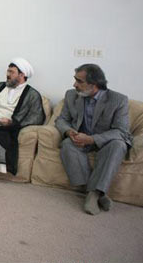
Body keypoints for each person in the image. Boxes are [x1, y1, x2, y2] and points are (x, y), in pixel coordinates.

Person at [56, 64, 131, 215]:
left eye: (79, 81)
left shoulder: (118, 100)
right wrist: (69, 131)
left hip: (105, 141)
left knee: (118, 145)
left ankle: (94, 193)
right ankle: (94, 192)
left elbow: (121, 131)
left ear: (94, 84)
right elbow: (61, 119)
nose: (74, 84)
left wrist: (91, 139)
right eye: (75, 79)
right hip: (80, 139)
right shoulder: (71, 95)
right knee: (67, 144)